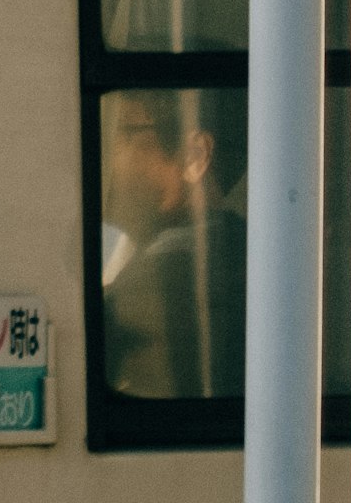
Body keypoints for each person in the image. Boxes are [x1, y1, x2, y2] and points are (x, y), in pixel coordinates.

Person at [99, 91, 245, 399]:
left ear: (194, 156)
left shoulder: (168, 276)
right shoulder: (246, 250)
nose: (106, 159)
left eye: (122, 134)